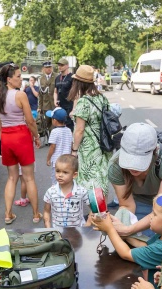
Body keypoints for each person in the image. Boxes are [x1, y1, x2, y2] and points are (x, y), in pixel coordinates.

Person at [0, 63, 42, 225]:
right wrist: (36, 136)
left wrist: (4, 139)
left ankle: (8, 214)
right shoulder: (20, 95)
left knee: (11, 178)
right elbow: (30, 120)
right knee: (29, 178)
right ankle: (36, 214)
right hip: (21, 136)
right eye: (18, 76)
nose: (21, 79)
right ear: (9, 79)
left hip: (6, 138)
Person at [68, 64, 114, 196]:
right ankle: (101, 213)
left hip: (89, 148)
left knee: (90, 185)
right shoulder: (101, 98)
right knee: (100, 181)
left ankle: (97, 214)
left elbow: (79, 130)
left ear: (78, 83)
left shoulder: (84, 101)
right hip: (103, 145)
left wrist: (74, 151)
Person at [43, 154, 91, 227]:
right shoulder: (51, 192)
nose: (60, 175)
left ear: (74, 175)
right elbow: (46, 211)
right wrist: (48, 227)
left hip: (78, 231)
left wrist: (88, 224)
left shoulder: (81, 191)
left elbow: (94, 209)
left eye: (65, 172)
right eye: (58, 171)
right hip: (58, 232)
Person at [45, 107, 74, 185]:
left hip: (57, 162)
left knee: (56, 181)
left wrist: (48, 158)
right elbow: (71, 144)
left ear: (55, 120)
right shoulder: (69, 130)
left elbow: (52, 147)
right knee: (66, 180)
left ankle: (56, 195)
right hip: (67, 160)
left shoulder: (54, 131)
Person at [55, 57, 75, 131]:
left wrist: (74, 109)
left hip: (69, 106)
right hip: (60, 106)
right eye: (58, 65)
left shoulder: (72, 77)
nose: (59, 67)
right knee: (59, 128)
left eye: (62, 65)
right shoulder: (57, 78)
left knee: (69, 128)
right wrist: (55, 100)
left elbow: (76, 94)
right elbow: (55, 91)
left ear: (67, 66)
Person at [38, 61, 57, 132]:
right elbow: (40, 94)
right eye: (47, 67)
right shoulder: (41, 79)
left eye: (50, 67)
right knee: (47, 124)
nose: (48, 69)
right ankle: (49, 140)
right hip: (46, 106)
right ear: (44, 69)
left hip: (55, 105)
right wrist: (40, 107)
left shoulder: (56, 76)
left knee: (55, 123)